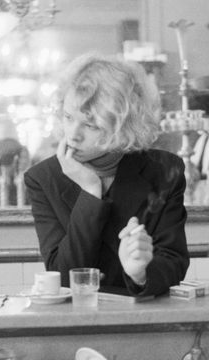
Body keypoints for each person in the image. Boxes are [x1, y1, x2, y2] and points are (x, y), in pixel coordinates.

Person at [24, 53, 189, 297]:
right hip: (75, 321)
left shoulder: (163, 170)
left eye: (91, 125)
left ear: (124, 127)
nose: (72, 135)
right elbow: (63, 275)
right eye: (69, 117)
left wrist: (140, 273)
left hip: (144, 318)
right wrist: (91, 193)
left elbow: (174, 262)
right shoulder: (43, 178)